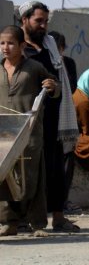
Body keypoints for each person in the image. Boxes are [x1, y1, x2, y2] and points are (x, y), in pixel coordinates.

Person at [19, 1, 80, 232]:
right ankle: (22, 218)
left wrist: (54, 87)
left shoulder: (50, 45)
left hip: (52, 115)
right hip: (26, 115)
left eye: (46, 21)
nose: (43, 26)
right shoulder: (16, 46)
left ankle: (58, 216)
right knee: (27, 168)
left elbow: (61, 79)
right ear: (24, 20)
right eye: (38, 21)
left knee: (55, 168)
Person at [0, 25, 59, 237]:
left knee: (32, 176)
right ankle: (10, 222)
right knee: (4, 177)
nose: (5, 48)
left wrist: (52, 85)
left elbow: (55, 86)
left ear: (22, 45)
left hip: (29, 132)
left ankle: (38, 224)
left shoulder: (34, 67)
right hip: (3, 133)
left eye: (10, 43)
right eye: (2, 43)